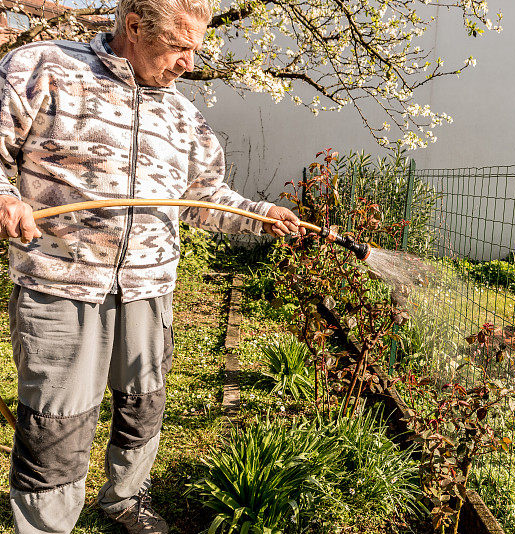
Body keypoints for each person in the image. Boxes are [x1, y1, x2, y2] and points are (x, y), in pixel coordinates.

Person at [0, 0, 304, 531]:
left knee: (144, 405)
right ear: (135, 28)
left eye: (196, 48)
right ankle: (47, 527)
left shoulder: (184, 114)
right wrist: (6, 199)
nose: (189, 62)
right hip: (61, 285)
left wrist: (263, 215)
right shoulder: (41, 67)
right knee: (57, 425)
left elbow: (205, 196)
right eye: (179, 46)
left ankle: (123, 500)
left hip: (150, 286)